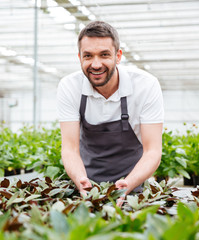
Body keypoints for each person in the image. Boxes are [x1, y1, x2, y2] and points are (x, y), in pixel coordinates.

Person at [56, 21, 164, 205]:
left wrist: (128, 184)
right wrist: (81, 180)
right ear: (79, 57)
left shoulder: (146, 85)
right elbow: (70, 149)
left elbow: (152, 151)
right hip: (87, 188)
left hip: (135, 185)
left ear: (118, 56)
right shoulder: (69, 86)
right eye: (88, 56)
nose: (96, 64)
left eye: (104, 55)